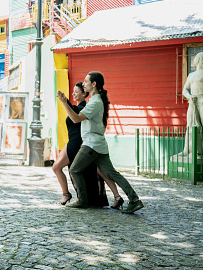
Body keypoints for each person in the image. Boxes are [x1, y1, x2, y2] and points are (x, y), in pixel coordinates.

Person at [57, 72, 144, 214]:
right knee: (112, 174)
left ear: (94, 84)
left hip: (91, 144)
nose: (83, 84)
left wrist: (64, 102)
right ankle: (134, 200)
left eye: (86, 81)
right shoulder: (93, 101)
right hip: (98, 144)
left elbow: (76, 119)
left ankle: (82, 200)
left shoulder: (95, 102)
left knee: (74, 169)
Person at [52, 82, 120, 208]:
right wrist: (65, 101)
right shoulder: (77, 107)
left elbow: (76, 117)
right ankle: (117, 196)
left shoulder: (85, 107)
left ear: (84, 94)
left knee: (58, 167)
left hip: (78, 142)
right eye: (73, 92)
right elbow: (73, 110)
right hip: (76, 141)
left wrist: (64, 102)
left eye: (77, 92)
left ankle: (67, 194)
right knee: (100, 170)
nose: (74, 94)